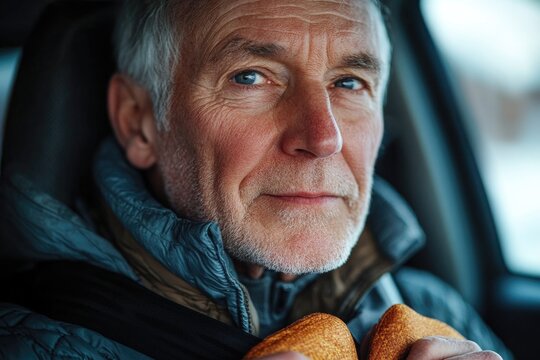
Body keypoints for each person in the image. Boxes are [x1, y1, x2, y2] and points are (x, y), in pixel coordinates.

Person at [0, 0, 511, 359]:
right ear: (139, 120)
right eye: (251, 76)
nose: (323, 136)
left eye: (349, 82)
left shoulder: (434, 313)